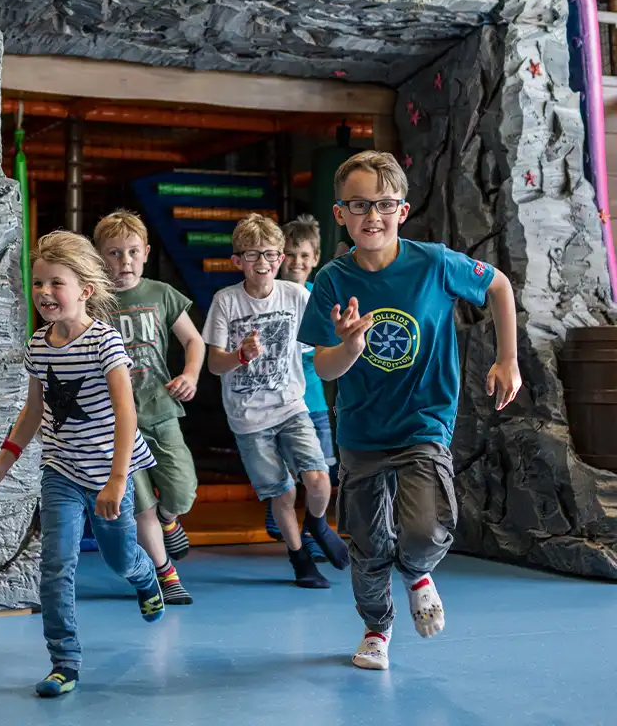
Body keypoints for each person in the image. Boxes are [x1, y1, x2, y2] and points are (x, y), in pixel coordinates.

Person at [298, 150, 521, 671]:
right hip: (360, 430)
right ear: (340, 214)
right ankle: (377, 626)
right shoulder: (331, 280)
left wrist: (508, 359)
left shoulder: (435, 263)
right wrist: (350, 347)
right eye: (358, 205)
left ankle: (419, 572)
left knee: (422, 530)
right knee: (370, 543)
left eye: (383, 204)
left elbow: (499, 286)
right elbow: (324, 369)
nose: (371, 216)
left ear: (402, 210)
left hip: (424, 421)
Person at [0, 230, 164, 698]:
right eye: (38, 284)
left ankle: (145, 576)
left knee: (121, 559)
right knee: (56, 565)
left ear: (86, 290)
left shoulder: (105, 343)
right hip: (59, 470)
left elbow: (127, 414)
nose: (44, 294)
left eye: (56, 283)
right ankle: (65, 661)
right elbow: (35, 410)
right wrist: (5, 459)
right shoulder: (39, 345)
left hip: (107, 472)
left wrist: (117, 480)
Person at [202, 213, 350, 589]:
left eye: (270, 255)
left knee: (318, 481)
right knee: (282, 492)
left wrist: (341, 334)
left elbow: (320, 347)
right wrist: (240, 355)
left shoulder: (297, 296)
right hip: (249, 418)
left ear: (280, 258)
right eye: (253, 256)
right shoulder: (225, 302)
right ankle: (299, 557)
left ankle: (317, 523)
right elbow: (214, 364)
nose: (263, 263)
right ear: (238, 261)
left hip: (291, 406)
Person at [94, 210, 206, 606]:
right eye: (114, 254)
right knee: (141, 504)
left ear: (145, 254)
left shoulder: (161, 294)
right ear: (99, 258)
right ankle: (166, 573)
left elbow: (194, 341)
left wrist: (190, 374)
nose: (124, 262)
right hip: (115, 425)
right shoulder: (94, 303)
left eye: (132, 253)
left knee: (181, 491)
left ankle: (171, 518)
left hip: (160, 410)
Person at [262, 215, 336, 565]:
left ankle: (312, 529)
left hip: (313, 398)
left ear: (315, 258)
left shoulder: (317, 297)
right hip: (277, 400)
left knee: (320, 468)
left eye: (304, 256)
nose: (297, 262)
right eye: (289, 255)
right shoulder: (268, 297)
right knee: (283, 469)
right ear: (278, 258)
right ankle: (279, 513)